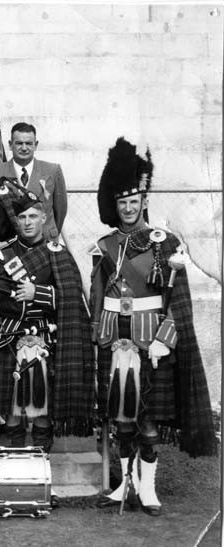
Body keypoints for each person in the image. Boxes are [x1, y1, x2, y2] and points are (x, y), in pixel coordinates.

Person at [91, 138, 216, 515]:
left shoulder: (165, 243)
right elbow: (98, 295)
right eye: (122, 202)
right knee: (122, 419)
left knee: (147, 421)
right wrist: (98, 333)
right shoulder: (106, 244)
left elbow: (177, 301)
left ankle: (148, 489)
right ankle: (124, 486)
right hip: (116, 339)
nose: (128, 208)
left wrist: (166, 339)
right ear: (114, 204)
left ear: (143, 201)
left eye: (134, 201)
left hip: (150, 341)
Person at [0, 192, 95, 472]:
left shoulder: (58, 254)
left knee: (42, 413)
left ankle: (40, 477)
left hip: (45, 341)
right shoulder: (4, 254)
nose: (27, 222)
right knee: (12, 413)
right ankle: (13, 477)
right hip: (11, 340)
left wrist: (40, 293)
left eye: (33, 216)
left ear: (44, 218)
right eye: (21, 217)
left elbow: (71, 298)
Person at [0, 122, 67, 242]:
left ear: (36, 145)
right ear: (10, 145)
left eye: (28, 143)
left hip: (45, 239)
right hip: (11, 242)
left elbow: (61, 210)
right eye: (19, 143)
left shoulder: (53, 170)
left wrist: (49, 230)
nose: (24, 148)